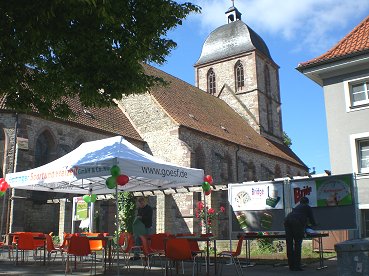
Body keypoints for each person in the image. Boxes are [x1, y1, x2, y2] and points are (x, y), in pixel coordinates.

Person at [284, 196, 317, 271]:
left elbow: (300, 217)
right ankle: (297, 266)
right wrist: (315, 225)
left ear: (300, 202)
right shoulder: (307, 207)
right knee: (297, 244)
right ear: (307, 202)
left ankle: (291, 265)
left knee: (289, 244)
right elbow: (311, 219)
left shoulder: (296, 207)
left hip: (287, 221)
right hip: (297, 223)